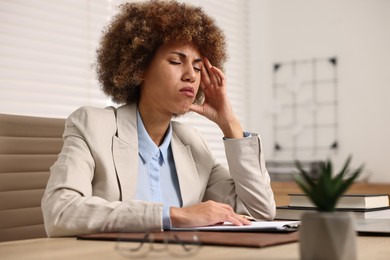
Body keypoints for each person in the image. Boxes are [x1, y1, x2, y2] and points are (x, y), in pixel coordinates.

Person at [41, 0, 275, 237]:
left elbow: (259, 211)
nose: (190, 76)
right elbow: (60, 211)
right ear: (139, 67)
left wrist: (230, 124)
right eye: (176, 61)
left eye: (197, 67)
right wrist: (175, 216)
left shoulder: (192, 143)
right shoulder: (92, 125)